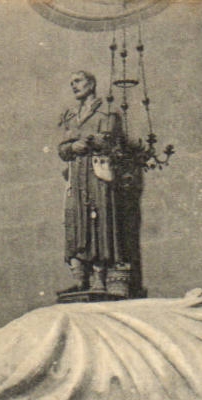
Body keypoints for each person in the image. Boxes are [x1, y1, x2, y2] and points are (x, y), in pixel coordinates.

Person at [57, 71, 142, 298]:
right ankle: (79, 278)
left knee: (100, 222)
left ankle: (99, 278)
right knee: (75, 221)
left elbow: (110, 140)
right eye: (71, 82)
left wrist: (89, 141)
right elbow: (62, 148)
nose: (74, 86)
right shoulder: (70, 115)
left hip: (97, 173)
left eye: (78, 81)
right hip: (76, 176)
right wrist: (72, 147)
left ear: (91, 83)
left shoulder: (107, 110)